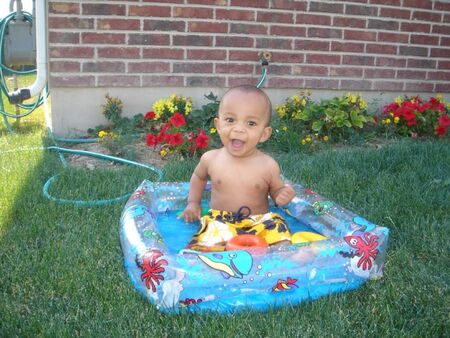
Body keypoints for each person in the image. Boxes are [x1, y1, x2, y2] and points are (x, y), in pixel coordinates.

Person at [179, 85, 295, 252]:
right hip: (220, 221)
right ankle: (203, 264)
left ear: (264, 134)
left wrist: (281, 196)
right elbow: (199, 177)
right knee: (206, 240)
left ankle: (285, 257)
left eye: (251, 123)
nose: (238, 128)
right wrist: (193, 203)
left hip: (259, 221)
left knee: (278, 227)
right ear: (218, 125)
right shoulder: (211, 159)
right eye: (230, 120)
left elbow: (275, 191)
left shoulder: (268, 165)